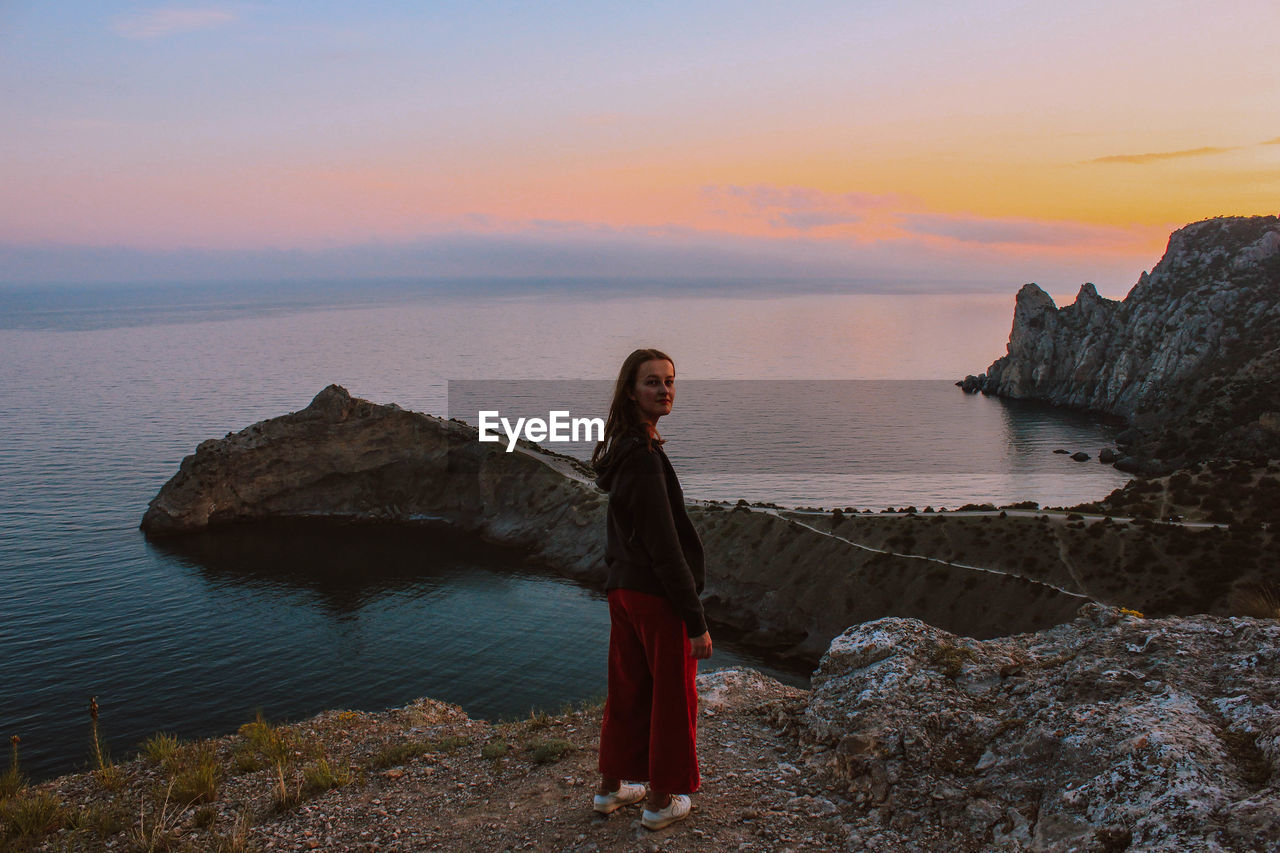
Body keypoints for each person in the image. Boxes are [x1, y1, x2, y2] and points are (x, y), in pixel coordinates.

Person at [590, 348, 712, 831]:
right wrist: (697, 623)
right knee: (673, 698)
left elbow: (621, 533)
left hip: (623, 589)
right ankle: (661, 801)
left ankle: (610, 789)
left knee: (628, 690)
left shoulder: (621, 447)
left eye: (669, 381)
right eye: (652, 382)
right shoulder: (643, 458)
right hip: (655, 596)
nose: (664, 390)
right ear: (630, 390)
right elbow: (666, 549)